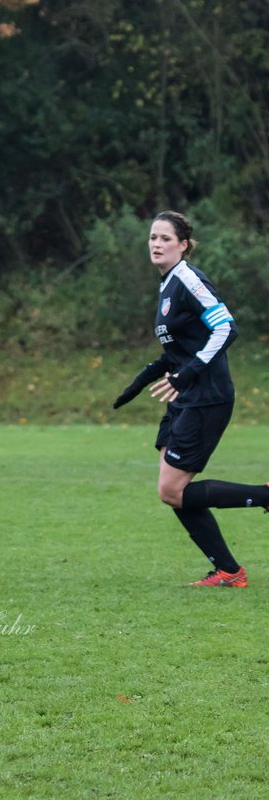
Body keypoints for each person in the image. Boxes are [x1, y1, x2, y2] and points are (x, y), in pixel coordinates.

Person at [113, 210, 268, 586]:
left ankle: (264, 496)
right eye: (153, 237)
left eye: (165, 238)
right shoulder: (167, 284)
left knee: (172, 490)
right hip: (187, 396)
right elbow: (179, 349)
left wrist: (187, 375)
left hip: (206, 396)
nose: (156, 244)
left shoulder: (187, 278)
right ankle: (229, 571)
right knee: (174, 492)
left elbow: (225, 327)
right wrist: (141, 381)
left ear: (183, 245)